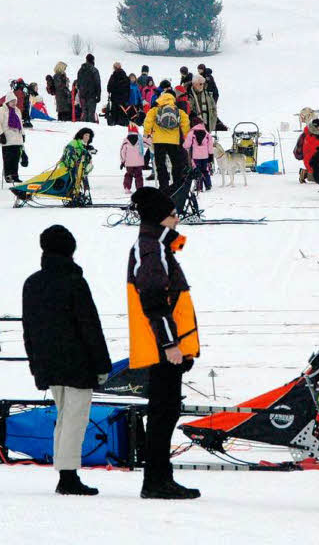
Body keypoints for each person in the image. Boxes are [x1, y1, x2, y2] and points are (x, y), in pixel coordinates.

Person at [22, 225, 112, 495]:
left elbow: (29, 329)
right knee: (75, 419)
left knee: (64, 417)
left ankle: (65, 471)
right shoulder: (74, 282)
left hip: (49, 362)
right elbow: (90, 326)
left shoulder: (33, 283)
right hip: (78, 362)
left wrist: (36, 365)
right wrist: (102, 364)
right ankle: (68, 476)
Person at [126, 187, 201, 500]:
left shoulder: (159, 246)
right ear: (161, 219)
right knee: (162, 414)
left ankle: (161, 478)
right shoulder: (151, 249)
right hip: (162, 349)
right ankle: (155, 481)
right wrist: (171, 345)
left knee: (166, 413)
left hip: (168, 347)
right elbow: (155, 301)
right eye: (173, 214)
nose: (178, 218)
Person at [143, 92, 190, 196]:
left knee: (160, 164)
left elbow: (148, 121)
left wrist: (146, 134)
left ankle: (163, 186)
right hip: (174, 141)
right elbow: (185, 123)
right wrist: (186, 136)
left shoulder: (155, 110)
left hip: (159, 141)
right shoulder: (178, 111)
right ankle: (177, 186)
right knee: (176, 164)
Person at [0, 94, 25, 184]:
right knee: (8, 159)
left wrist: (23, 134)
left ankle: (15, 175)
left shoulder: (17, 110)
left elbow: (20, 124)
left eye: (15, 101)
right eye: (12, 101)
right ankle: (8, 175)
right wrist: (1, 134)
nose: (14, 103)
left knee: (16, 158)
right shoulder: (1, 110)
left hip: (17, 138)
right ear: (7, 102)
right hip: (7, 138)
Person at [183, 121, 214, 192]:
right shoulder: (207, 134)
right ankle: (208, 185)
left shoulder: (192, 133)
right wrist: (211, 155)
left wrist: (183, 145)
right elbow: (210, 146)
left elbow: (186, 145)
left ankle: (199, 187)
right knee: (205, 170)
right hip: (205, 156)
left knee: (197, 171)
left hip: (196, 156)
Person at [301, 117, 319, 184]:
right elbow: (317, 148)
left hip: (317, 160)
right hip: (311, 161)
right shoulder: (309, 136)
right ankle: (305, 173)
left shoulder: (318, 134)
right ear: (316, 127)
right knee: (318, 179)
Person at [120, 125, 146, 193]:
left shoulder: (125, 140)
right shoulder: (141, 139)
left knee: (128, 175)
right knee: (139, 175)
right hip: (139, 163)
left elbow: (122, 151)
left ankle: (127, 188)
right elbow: (149, 144)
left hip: (129, 163)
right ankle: (140, 189)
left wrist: (123, 161)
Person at [77, 54, 101, 123]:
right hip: (92, 95)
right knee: (91, 113)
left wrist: (81, 91)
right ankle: (90, 128)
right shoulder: (94, 70)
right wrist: (98, 95)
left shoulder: (80, 70)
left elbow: (78, 83)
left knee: (84, 112)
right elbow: (98, 83)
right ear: (93, 60)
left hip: (83, 94)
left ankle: (84, 128)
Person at [106, 62, 130, 126]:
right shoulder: (125, 76)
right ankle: (122, 123)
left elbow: (109, 88)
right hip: (123, 99)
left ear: (114, 68)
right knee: (122, 112)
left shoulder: (113, 76)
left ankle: (115, 123)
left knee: (115, 112)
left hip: (115, 98)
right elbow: (128, 88)